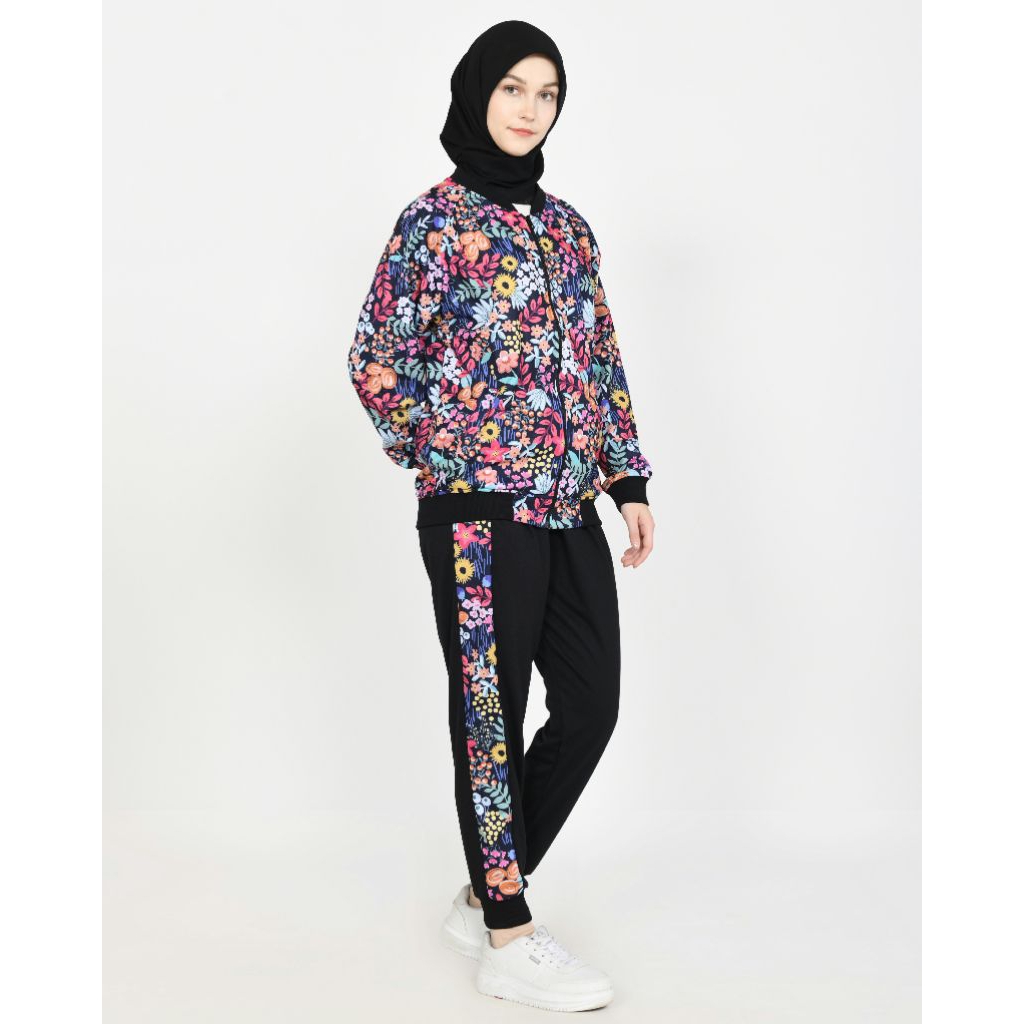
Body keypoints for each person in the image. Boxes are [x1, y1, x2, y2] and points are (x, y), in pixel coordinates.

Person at [348, 19, 655, 1012]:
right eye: (513, 88)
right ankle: (508, 933)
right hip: (477, 515)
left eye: (546, 93)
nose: (529, 108)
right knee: (491, 714)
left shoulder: (567, 229)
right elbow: (375, 358)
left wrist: (626, 480)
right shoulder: (433, 223)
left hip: (567, 505)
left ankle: (488, 884)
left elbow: (599, 357)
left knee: (592, 703)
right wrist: (449, 455)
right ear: (477, 92)